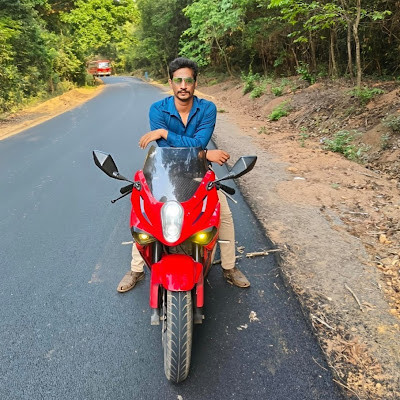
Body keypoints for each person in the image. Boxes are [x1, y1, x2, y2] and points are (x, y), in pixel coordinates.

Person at [117, 57, 250, 292]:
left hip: (199, 172)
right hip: (165, 171)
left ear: (195, 83)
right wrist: (205, 154)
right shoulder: (157, 109)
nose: (183, 86)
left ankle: (229, 267)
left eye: (188, 81)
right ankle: (136, 269)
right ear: (170, 82)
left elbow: (199, 143)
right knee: (144, 214)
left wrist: (165, 133)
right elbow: (170, 150)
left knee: (223, 214)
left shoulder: (207, 108)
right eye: (178, 80)